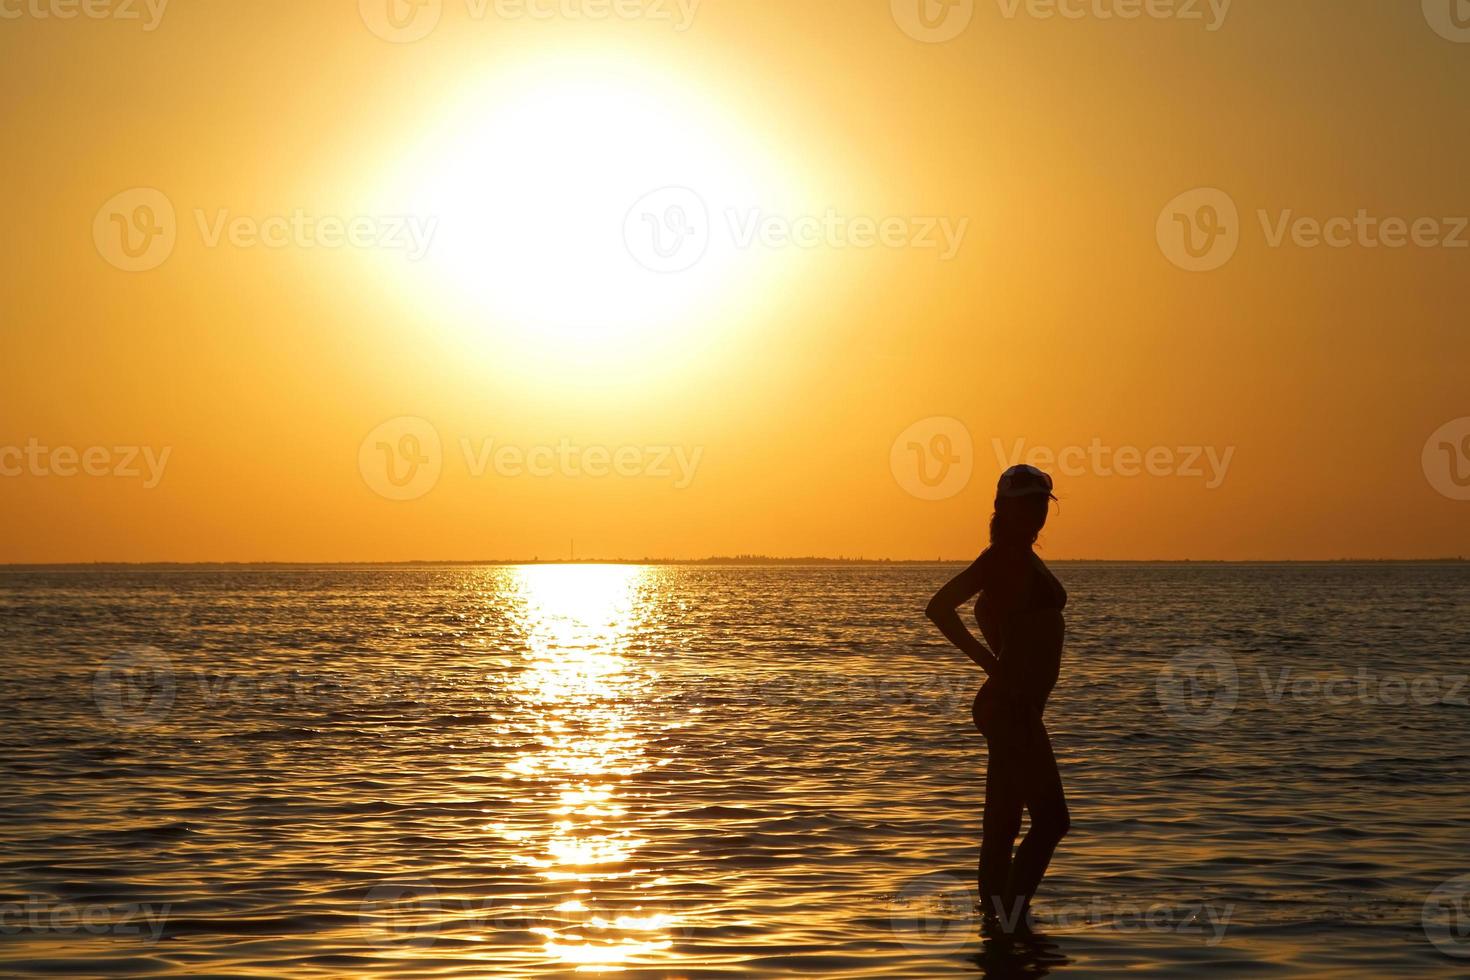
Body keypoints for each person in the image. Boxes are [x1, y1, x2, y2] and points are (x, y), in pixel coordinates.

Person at [925, 464, 1069, 934]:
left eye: (1040, 503)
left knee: (1004, 824)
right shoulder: (1004, 556)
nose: (1035, 512)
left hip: (1016, 706)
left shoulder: (1021, 555)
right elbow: (939, 607)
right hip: (1009, 705)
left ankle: (995, 929)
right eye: (1024, 502)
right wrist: (990, 663)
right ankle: (1009, 921)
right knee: (1051, 820)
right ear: (1002, 509)